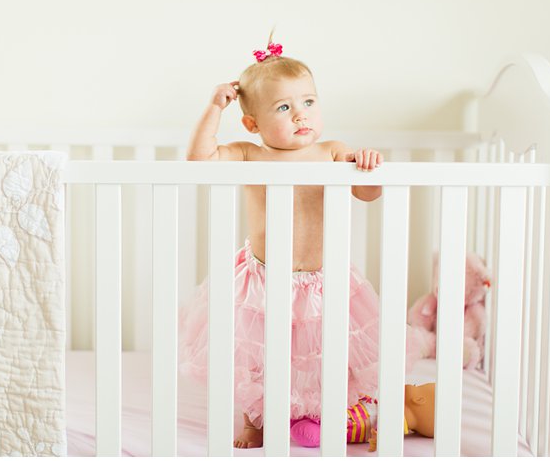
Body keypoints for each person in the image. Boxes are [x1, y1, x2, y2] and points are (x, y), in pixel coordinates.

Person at [178, 34, 422, 449]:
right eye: (283, 107)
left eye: (308, 102)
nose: (300, 115)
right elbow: (199, 161)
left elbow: (368, 193)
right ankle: (256, 420)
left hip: (325, 280)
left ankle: (319, 414)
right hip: (263, 279)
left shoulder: (331, 152)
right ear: (252, 123)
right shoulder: (247, 154)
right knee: (257, 357)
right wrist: (214, 107)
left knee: (324, 355)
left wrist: (368, 167)